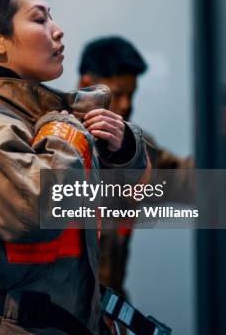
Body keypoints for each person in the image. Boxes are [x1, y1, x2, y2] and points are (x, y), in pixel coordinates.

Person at [0, 0, 149, 334]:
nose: (58, 30)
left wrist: (123, 146)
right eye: (39, 19)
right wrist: (65, 134)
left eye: (52, 17)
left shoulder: (38, 117)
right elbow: (36, 210)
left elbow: (125, 196)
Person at [78, 36, 194, 301]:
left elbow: (187, 179)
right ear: (87, 84)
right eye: (118, 94)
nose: (127, 104)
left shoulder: (136, 149)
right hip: (55, 317)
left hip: (107, 311)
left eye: (131, 94)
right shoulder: (54, 141)